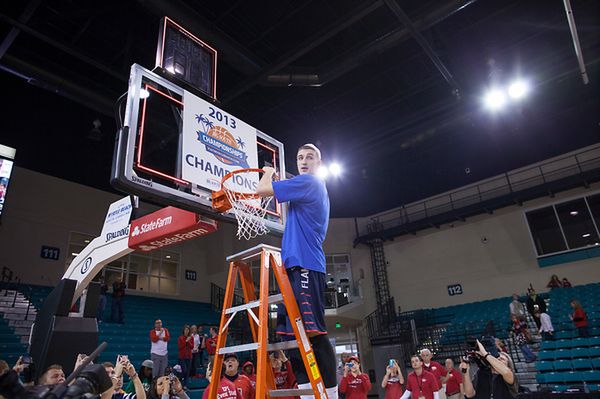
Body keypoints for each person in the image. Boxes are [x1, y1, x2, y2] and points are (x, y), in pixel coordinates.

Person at [257, 143, 337, 399]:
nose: (303, 160)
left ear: (319, 164)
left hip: (306, 264)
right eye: (300, 156)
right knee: (289, 337)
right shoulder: (302, 190)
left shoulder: (311, 183)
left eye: (310, 157)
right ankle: (306, 394)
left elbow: (262, 189)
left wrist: (268, 171)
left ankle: (332, 393)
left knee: (313, 333)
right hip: (292, 265)